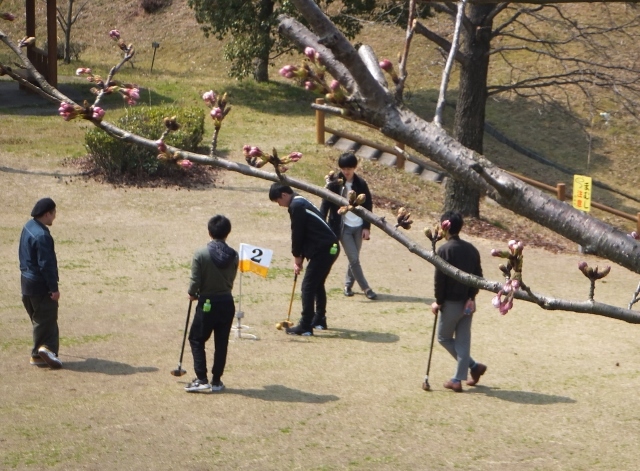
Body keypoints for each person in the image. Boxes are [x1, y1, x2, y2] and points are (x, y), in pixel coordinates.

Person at [269, 183, 339, 335]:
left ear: (284, 195)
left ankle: (306, 325)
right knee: (316, 283)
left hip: (325, 249)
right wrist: (300, 255)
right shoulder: (300, 201)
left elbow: (297, 232)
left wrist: (296, 257)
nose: (279, 205)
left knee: (308, 286)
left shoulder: (296, 205)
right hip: (330, 246)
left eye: (278, 201)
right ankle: (319, 319)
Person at [431, 211, 486, 392]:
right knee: (463, 341)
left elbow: (440, 280)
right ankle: (473, 368)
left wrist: (438, 302)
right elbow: (478, 277)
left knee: (443, 337)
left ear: (444, 227)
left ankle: (458, 378)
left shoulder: (444, 250)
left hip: (451, 303)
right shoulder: (471, 249)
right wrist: (471, 297)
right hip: (468, 303)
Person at [184, 215, 239, 393]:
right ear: (227, 233)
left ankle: (201, 378)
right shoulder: (234, 255)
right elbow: (231, 277)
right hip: (227, 301)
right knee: (221, 342)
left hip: (207, 301)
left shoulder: (201, 253)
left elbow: (195, 280)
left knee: (196, 338)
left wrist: (192, 293)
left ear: (209, 232)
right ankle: (216, 380)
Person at [320, 152, 377, 300]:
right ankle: (366, 288)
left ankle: (347, 285)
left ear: (354, 168)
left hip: (358, 225)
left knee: (354, 258)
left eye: (349, 168)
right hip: (342, 226)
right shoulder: (335, 183)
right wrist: (322, 222)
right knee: (354, 259)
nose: (346, 171)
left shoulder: (361, 184)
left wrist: (366, 227)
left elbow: (368, 205)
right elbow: (325, 203)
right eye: (344, 168)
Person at [19, 197, 62, 369]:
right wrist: (53, 289)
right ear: (46, 214)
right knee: (48, 318)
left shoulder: (27, 227)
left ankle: (40, 354)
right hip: (40, 286)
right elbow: (47, 264)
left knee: (39, 319)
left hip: (26, 283)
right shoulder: (42, 236)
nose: (54, 217)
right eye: (53, 214)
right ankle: (43, 351)